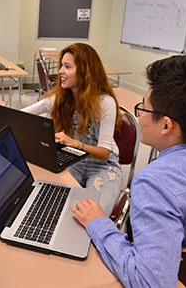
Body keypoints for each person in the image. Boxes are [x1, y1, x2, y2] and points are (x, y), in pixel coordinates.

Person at [71, 55, 186, 287]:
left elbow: (150, 282)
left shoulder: (154, 183)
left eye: (143, 107)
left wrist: (98, 223)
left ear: (166, 125)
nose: (139, 115)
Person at [23, 43, 122, 215]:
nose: (60, 71)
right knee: (49, 206)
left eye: (67, 66)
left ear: (85, 72)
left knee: (93, 217)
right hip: (72, 160)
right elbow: (21, 116)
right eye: (62, 65)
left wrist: (76, 144)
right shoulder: (61, 98)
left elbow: (104, 153)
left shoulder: (105, 103)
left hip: (102, 165)